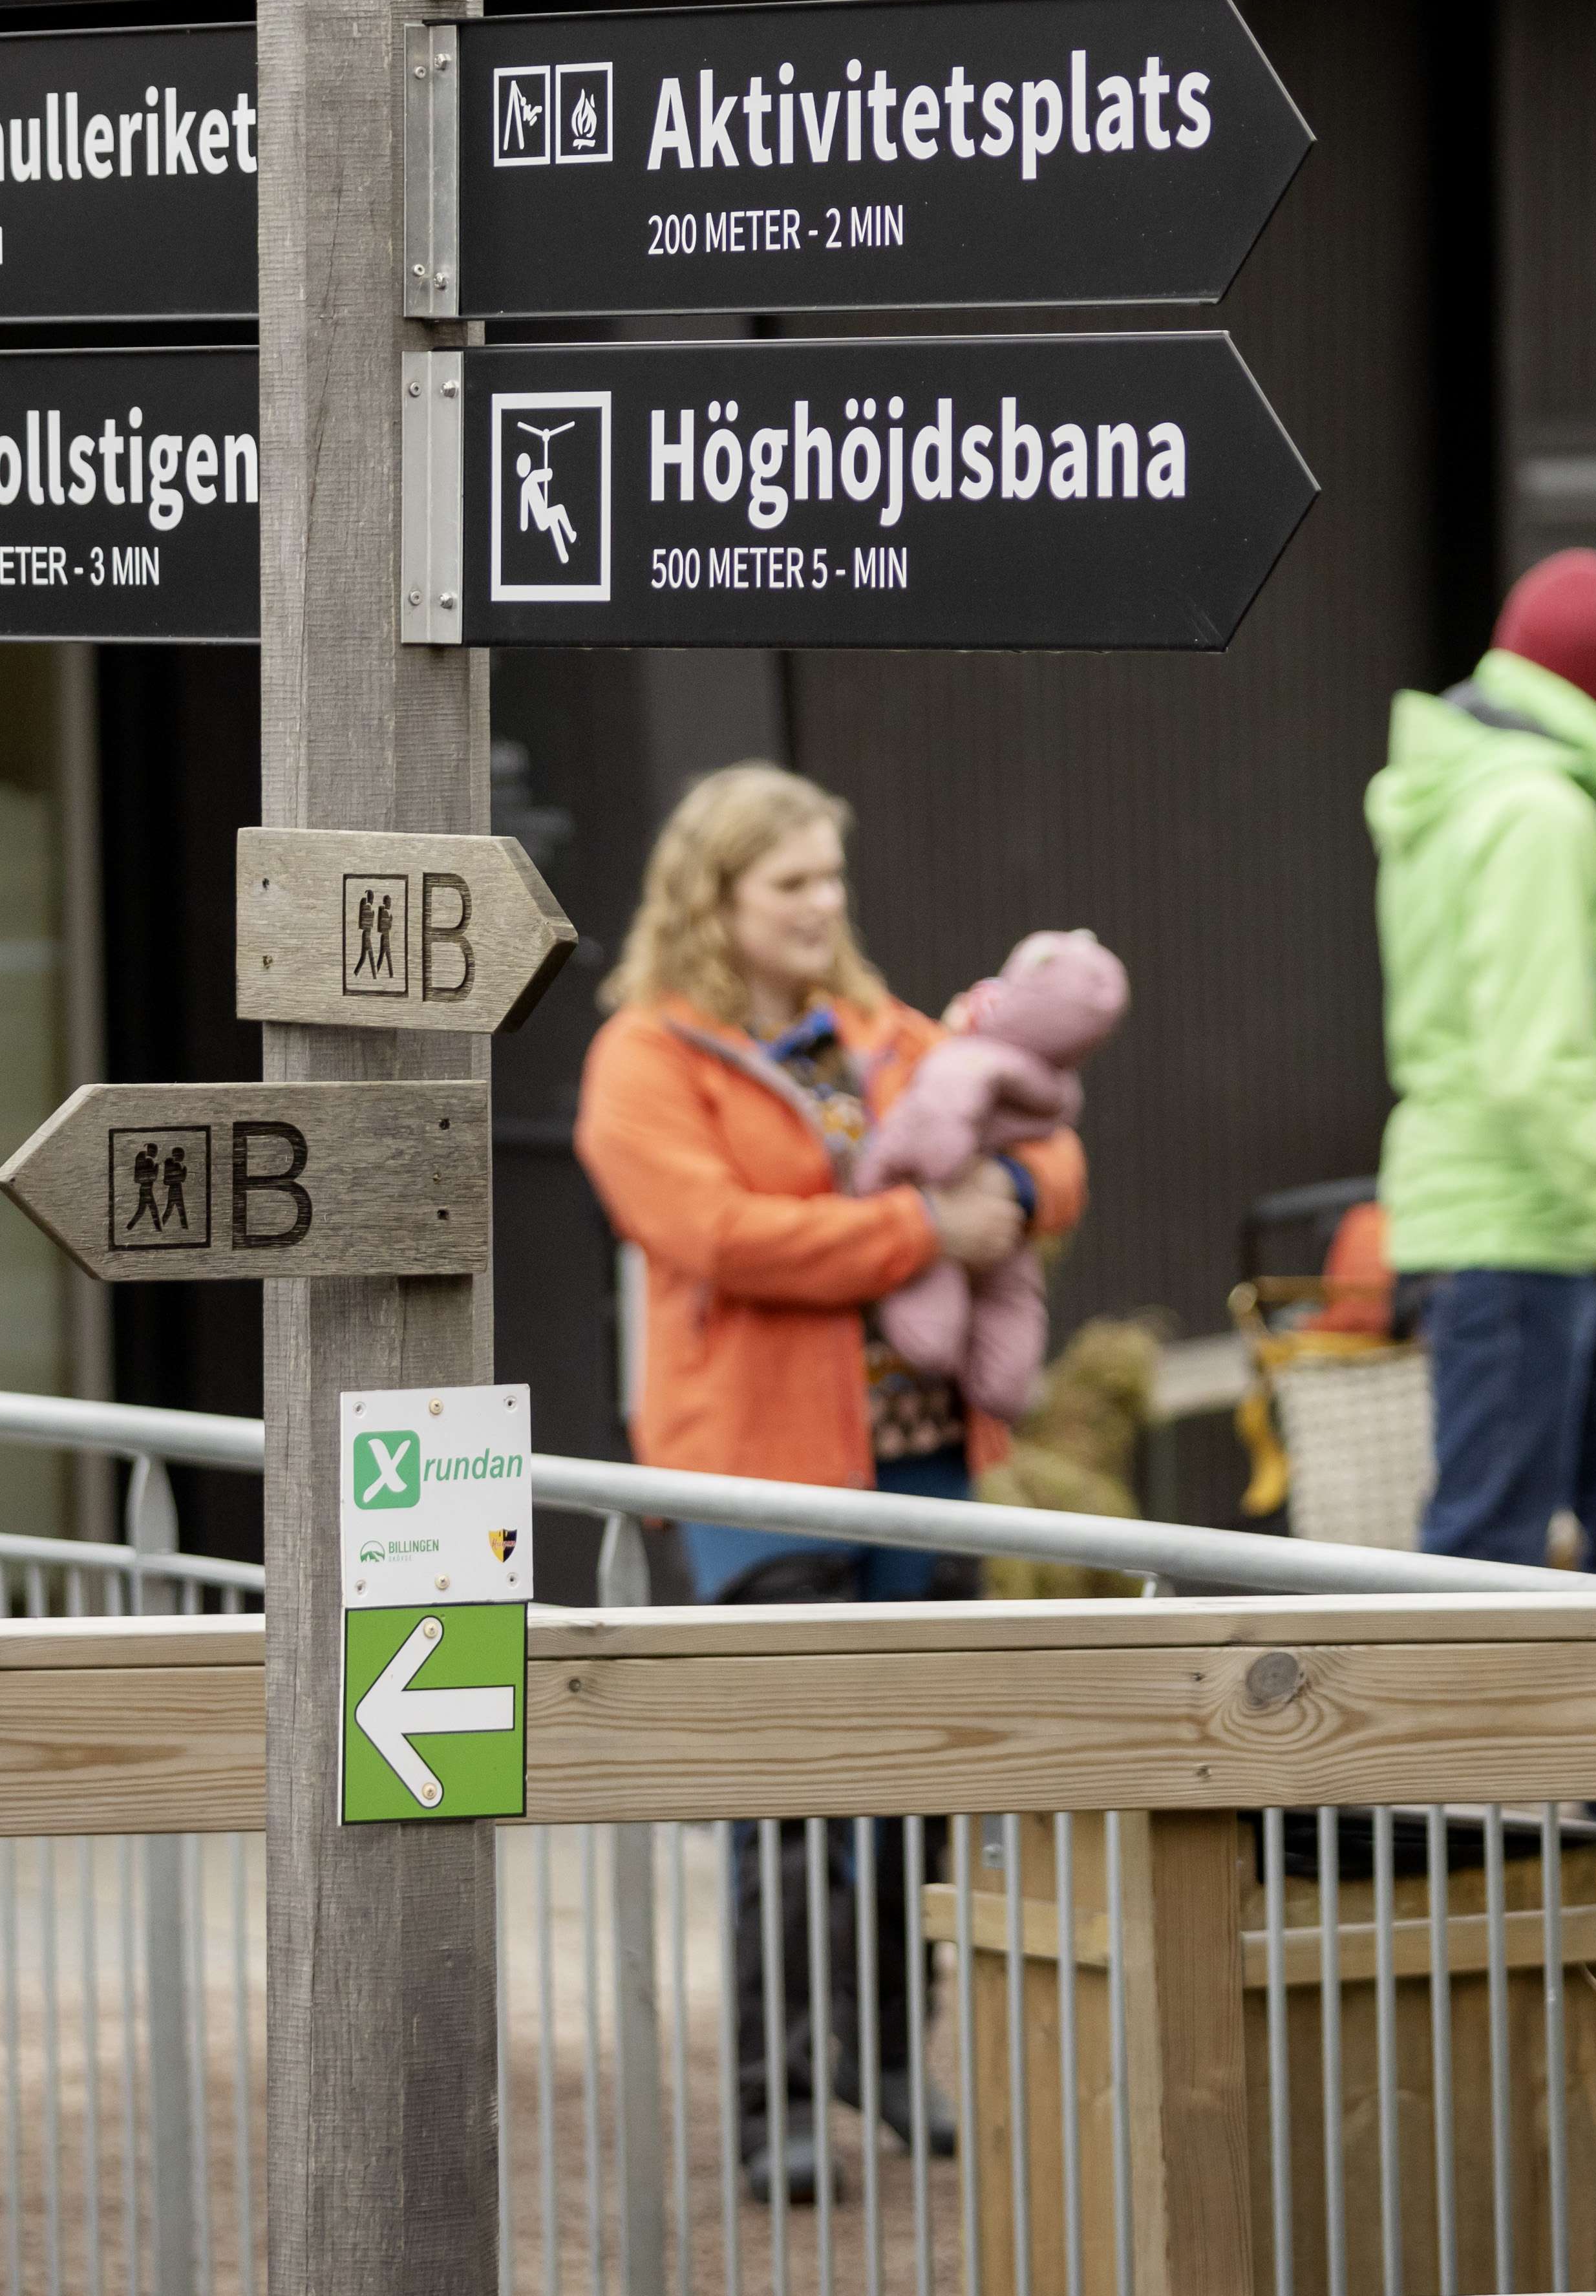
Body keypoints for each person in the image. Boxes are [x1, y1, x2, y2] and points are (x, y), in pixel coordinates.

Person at [576, 763, 1085, 2204]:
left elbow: (1046, 1135)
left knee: (916, 1773)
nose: (823, 904)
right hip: (756, 1469)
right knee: (787, 1789)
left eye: (830, 878)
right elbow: (720, 1233)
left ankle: (882, 2047)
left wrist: (1018, 1205)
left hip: (920, 1457)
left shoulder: (882, 1026)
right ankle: (777, 2093)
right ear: (714, 896)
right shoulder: (644, 1055)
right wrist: (921, 1227)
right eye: (791, 881)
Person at [1369, 547, 1596, 1584]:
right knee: (1484, 1561)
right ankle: (1448, 1755)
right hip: (1514, 1230)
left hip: (1554, 1229)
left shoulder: (1468, 787)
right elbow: (1534, 1067)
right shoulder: (1535, 813)